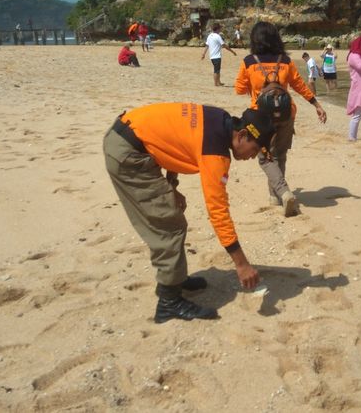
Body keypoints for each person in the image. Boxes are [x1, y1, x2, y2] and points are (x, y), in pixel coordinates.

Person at [104, 104, 275, 323]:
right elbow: (218, 211)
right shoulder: (216, 154)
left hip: (130, 136)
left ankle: (174, 279)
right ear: (242, 135)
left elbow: (176, 139)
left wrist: (171, 187)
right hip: (128, 155)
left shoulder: (218, 119)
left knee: (171, 214)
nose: (253, 157)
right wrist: (241, 264)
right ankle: (169, 302)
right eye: (255, 149)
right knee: (168, 225)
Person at [235, 21, 327, 216]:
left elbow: (239, 89)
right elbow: (300, 85)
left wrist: (256, 86)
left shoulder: (249, 61)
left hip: (259, 115)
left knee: (264, 157)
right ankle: (274, 196)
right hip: (286, 113)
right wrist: (316, 105)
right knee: (280, 155)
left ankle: (283, 193)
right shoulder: (285, 60)